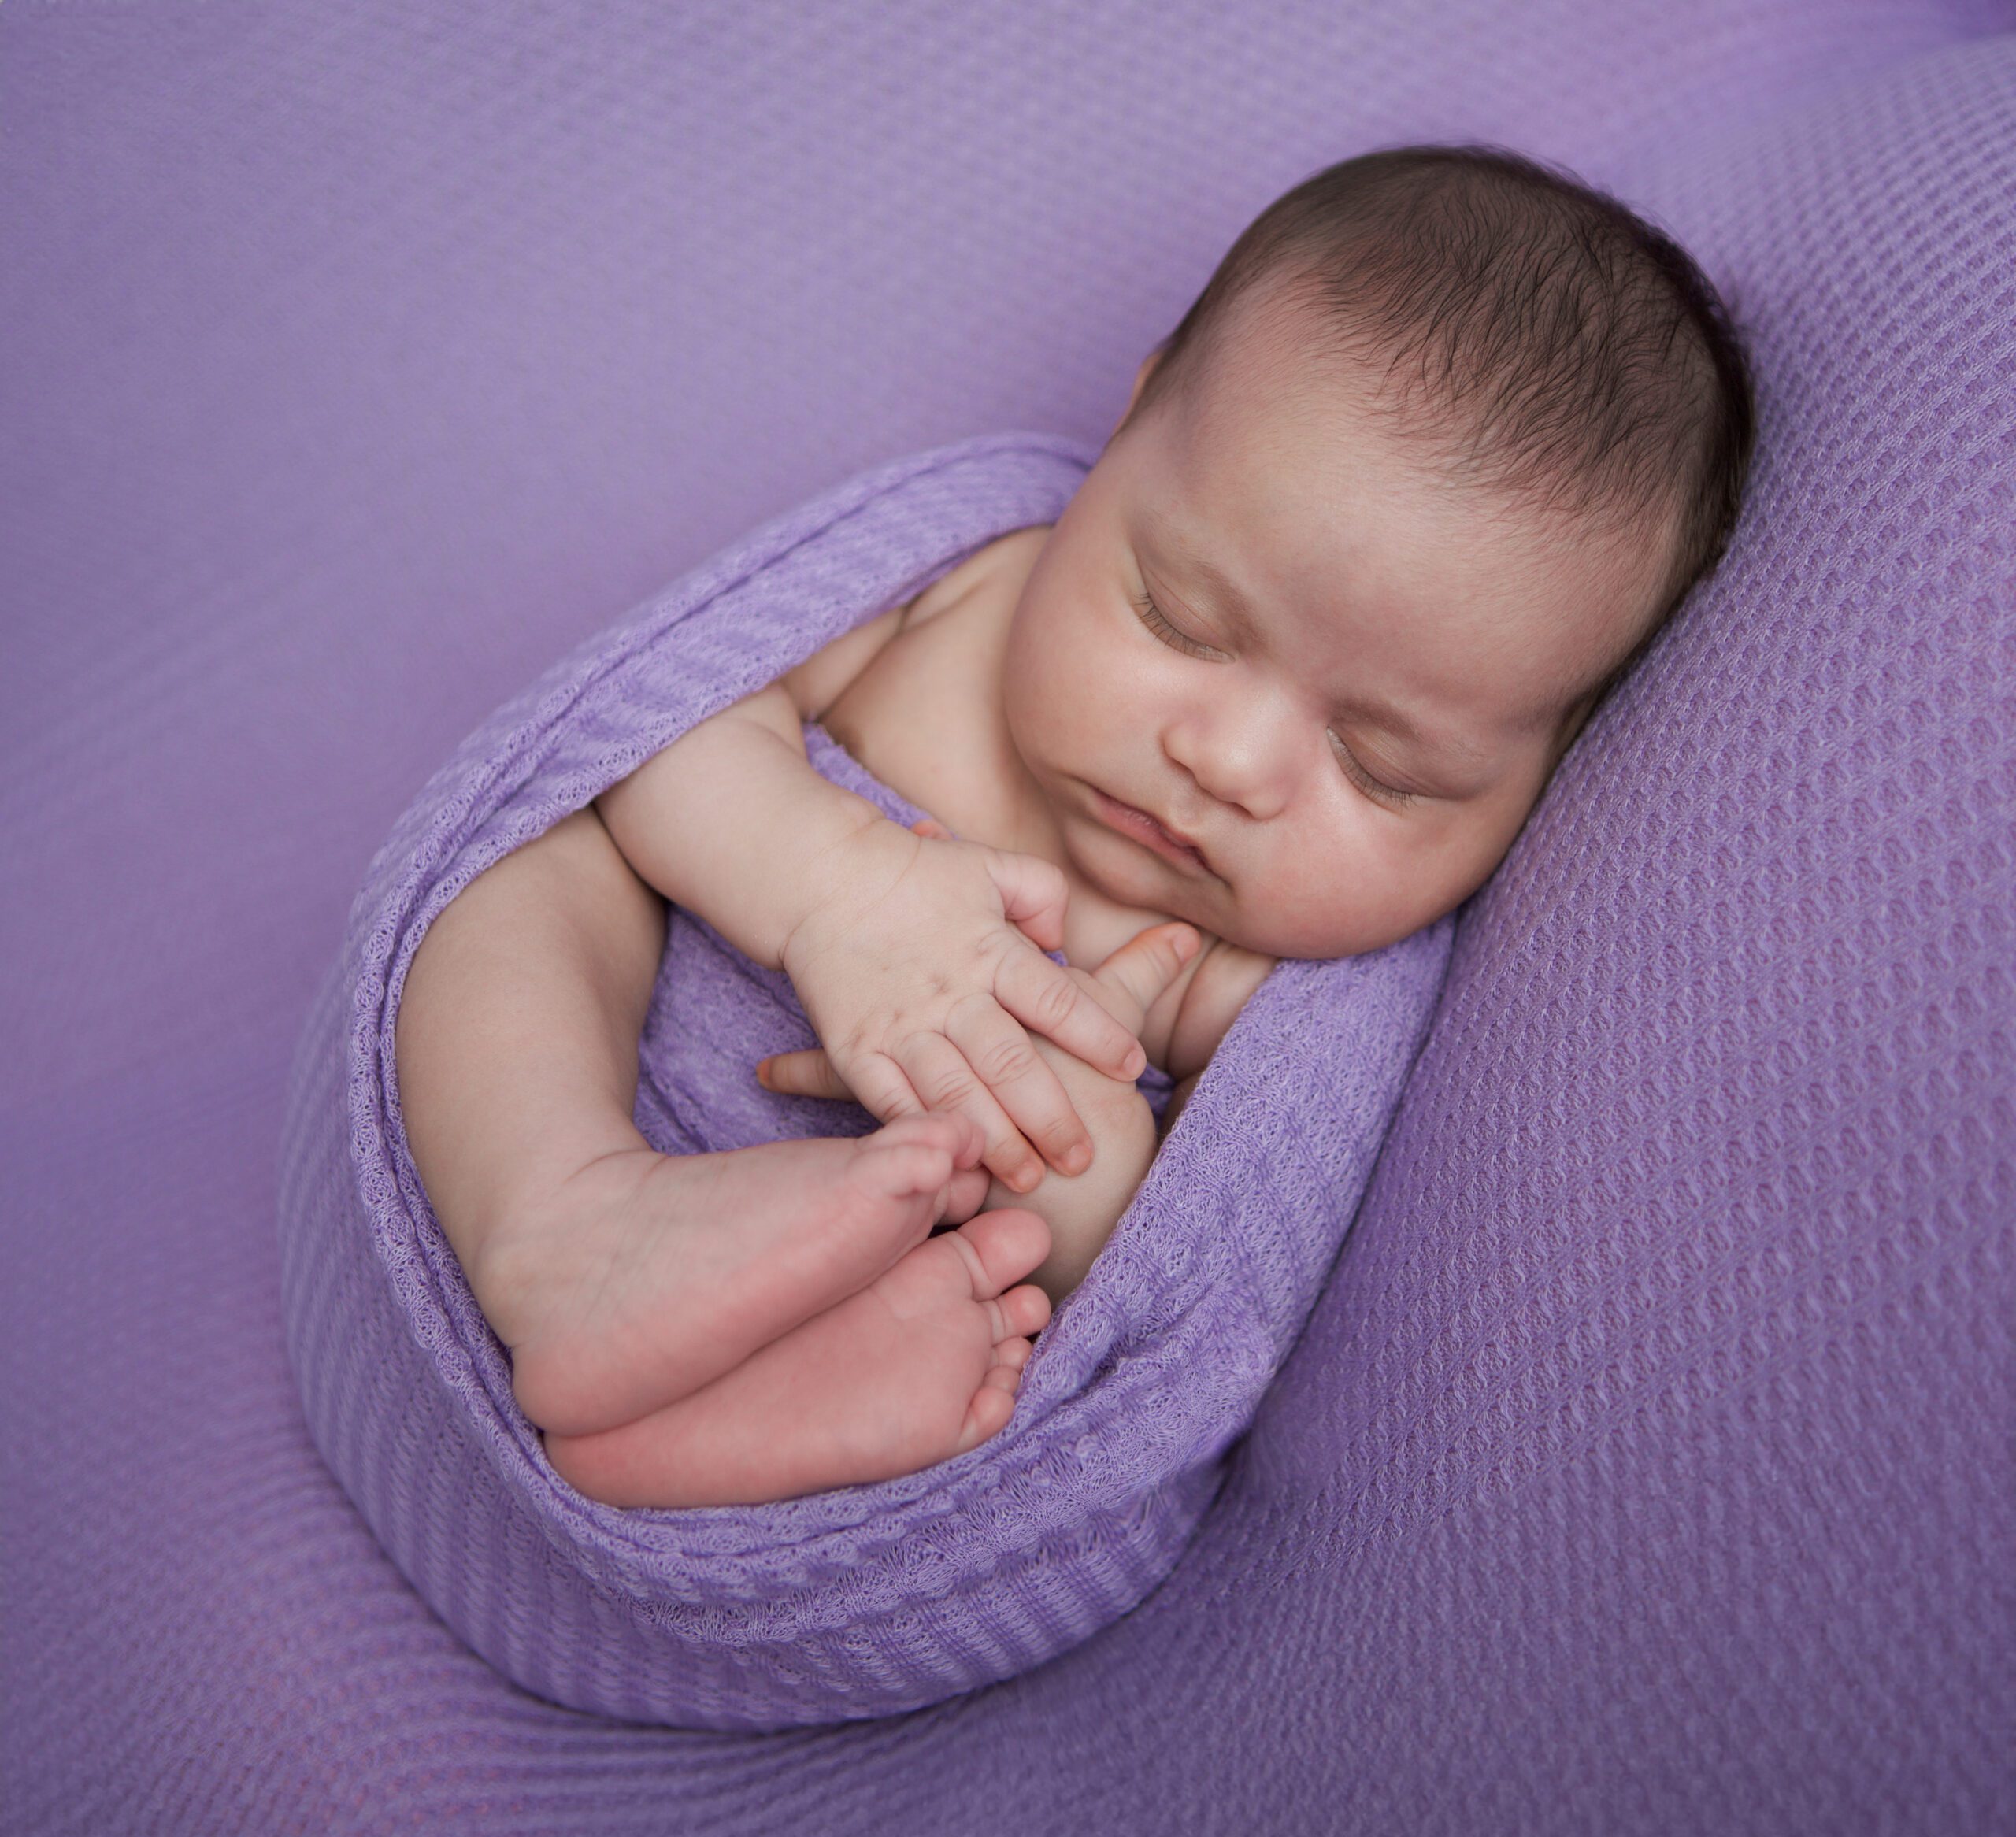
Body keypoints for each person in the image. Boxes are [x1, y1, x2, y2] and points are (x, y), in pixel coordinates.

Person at [394, 144, 1755, 1509]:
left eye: (1384, 766)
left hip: (879, 1282)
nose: (1224, 764)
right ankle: (561, 1220)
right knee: (532, 867)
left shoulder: (1278, 982)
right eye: (1180, 617)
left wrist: (1062, 1145)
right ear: (1134, 422)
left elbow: (1201, 1292)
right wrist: (831, 889)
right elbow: (642, 736)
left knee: (1033, 1241)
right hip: (589, 1079)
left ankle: (767, 1410)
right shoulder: (965, 576)